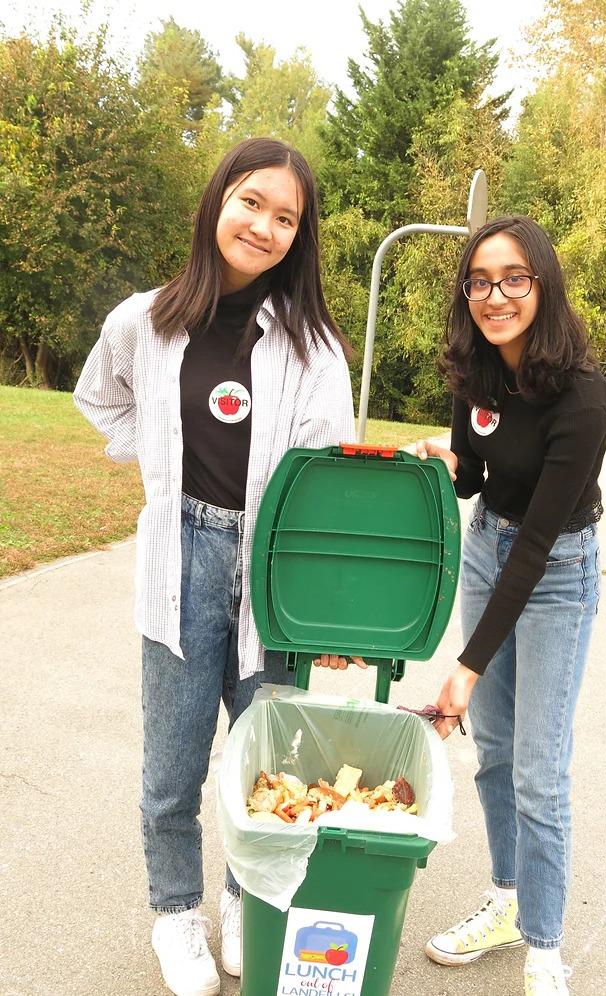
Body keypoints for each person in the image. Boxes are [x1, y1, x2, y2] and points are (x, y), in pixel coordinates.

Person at [74, 138, 360, 996]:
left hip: (274, 567)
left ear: (299, 237)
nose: (264, 227)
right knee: (173, 764)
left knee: (267, 757)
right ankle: (176, 914)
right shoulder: (146, 318)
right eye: (251, 202)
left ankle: (246, 899)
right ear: (218, 202)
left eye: (286, 218)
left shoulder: (314, 348)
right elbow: (100, 396)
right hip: (180, 559)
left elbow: (331, 487)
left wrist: (330, 610)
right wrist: (159, 474)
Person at [415, 216, 606, 996]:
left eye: (513, 278)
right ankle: (505, 902)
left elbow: (534, 547)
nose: (495, 296)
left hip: (555, 569)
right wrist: (450, 458)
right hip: (484, 548)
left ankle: (544, 949)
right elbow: (478, 485)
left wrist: (465, 666)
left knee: (538, 771)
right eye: (480, 281)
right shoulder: (476, 370)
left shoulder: (584, 396)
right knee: (493, 753)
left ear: (542, 283)